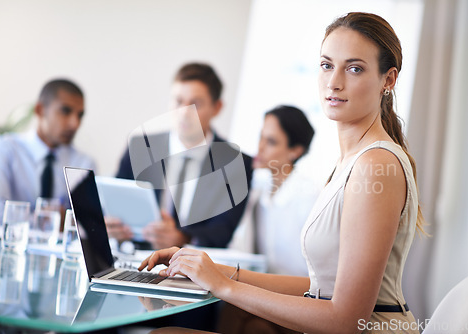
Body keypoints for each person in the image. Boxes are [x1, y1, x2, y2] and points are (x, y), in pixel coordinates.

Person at [140, 12, 425, 334]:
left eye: (354, 68)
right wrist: (209, 269)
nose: (334, 82)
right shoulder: (351, 162)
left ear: (388, 80)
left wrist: (223, 287)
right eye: (327, 65)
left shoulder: (375, 166)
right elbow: (318, 285)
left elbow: (346, 320)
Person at [110, 63, 253, 249]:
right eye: (178, 101)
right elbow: (116, 203)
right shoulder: (140, 147)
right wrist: (111, 226)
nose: (184, 112)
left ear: (217, 107)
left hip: (195, 268)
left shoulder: (236, 163)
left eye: (196, 104)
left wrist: (182, 239)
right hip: (137, 259)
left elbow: (222, 232)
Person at [229, 105, 319, 276]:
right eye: (260, 137)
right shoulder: (258, 189)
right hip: (265, 290)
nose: (260, 147)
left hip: (301, 294)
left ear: (295, 150)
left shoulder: (309, 199)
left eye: (271, 142)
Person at [0, 79, 95, 223]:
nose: (75, 124)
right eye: (65, 111)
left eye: (80, 115)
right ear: (40, 110)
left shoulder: (83, 162)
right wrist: (47, 221)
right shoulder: (4, 149)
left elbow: (88, 222)